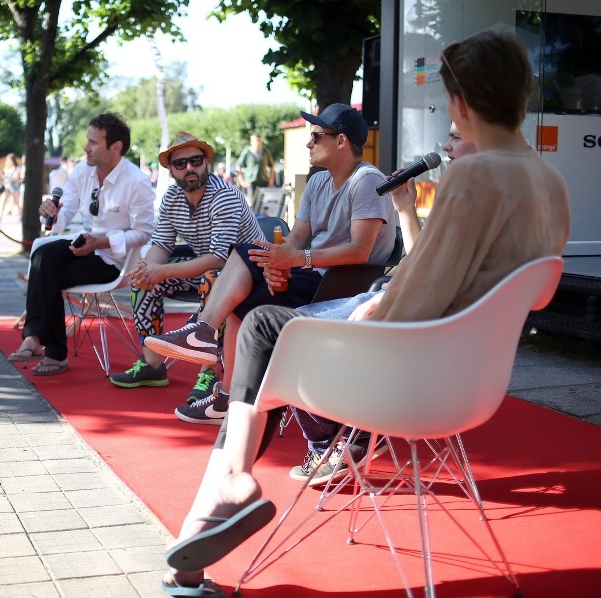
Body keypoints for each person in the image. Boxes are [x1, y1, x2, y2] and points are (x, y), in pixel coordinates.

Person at [158, 31, 571, 596]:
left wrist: (369, 313)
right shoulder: (551, 182)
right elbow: (525, 293)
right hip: (469, 378)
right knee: (275, 329)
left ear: (459, 101)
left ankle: (225, 488)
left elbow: (419, 296)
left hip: (404, 374)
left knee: (263, 326)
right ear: (521, 92)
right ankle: (218, 499)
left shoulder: (477, 176)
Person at [145, 104, 397, 425]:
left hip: (341, 287)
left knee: (242, 258)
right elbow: (295, 240)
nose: (308, 143)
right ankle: (220, 380)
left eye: (316, 136)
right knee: (245, 271)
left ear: (341, 141)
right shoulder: (319, 182)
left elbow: (360, 251)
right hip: (313, 275)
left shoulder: (366, 181)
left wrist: (295, 260)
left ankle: (206, 342)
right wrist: (278, 264)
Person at [289, 120, 479, 485]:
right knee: (286, 324)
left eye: (455, 137)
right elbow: (424, 259)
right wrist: (405, 207)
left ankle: (339, 440)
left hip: (414, 314)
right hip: (397, 294)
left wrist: (393, 300)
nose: (446, 146)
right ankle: (345, 437)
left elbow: (452, 282)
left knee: (291, 330)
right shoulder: (461, 193)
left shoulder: (478, 201)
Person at [106, 131, 264, 396]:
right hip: (209, 268)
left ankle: (208, 372)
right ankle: (152, 363)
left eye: (196, 160)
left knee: (213, 278)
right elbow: (162, 245)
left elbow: (219, 258)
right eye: (180, 163)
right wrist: (148, 272)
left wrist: (161, 270)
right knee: (143, 281)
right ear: (170, 170)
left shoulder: (224, 195)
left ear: (206, 163)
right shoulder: (171, 198)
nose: (189, 167)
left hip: (249, 273)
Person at [9, 112, 155, 376]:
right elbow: (63, 218)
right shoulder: (82, 171)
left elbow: (144, 232)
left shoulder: (137, 182)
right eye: (88, 141)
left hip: (114, 261)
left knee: (47, 270)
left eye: (93, 142)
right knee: (43, 254)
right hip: (85, 248)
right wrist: (50, 213)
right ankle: (41, 345)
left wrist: (102, 241)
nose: (86, 147)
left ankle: (43, 345)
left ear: (115, 147)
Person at [236, 133, 275, 210]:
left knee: (264, 205)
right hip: (251, 182)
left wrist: (271, 179)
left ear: (261, 141)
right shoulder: (247, 152)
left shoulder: (265, 152)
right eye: (255, 141)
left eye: (258, 141)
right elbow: (238, 166)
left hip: (263, 181)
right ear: (251, 142)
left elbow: (272, 166)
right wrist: (241, 181)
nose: (257, 143)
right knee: (252, 204)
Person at [0, 153, 22, 221]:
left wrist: (7, 180)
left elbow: (15, 178)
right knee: (3, 201)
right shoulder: (7, 168)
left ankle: (21, 215)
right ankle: (0, 216)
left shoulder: (17, 168)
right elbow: (4, 179)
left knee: (16, 203)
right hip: (8, 188)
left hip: (14, 188)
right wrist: (0, 175)